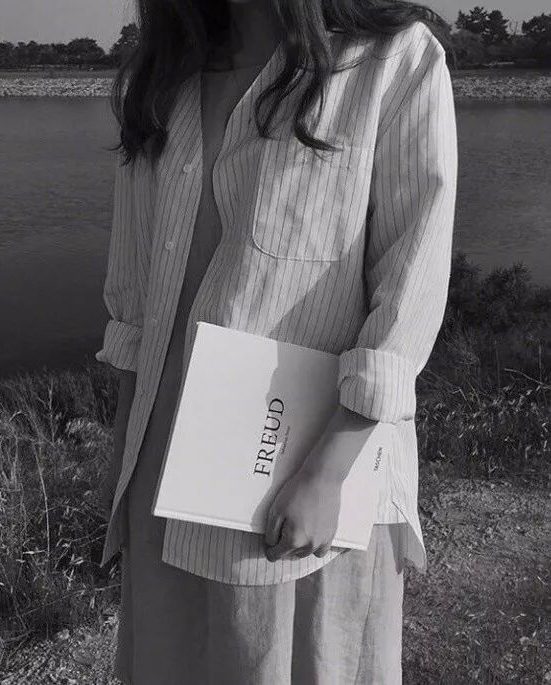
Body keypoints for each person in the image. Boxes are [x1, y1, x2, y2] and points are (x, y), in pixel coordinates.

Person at [94, 0, 458, 682]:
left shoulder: (394, 61)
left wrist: (326, 474)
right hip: (166, 467)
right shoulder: (168, 77)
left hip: (309, 474)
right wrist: (123, 464)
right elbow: (136, 301)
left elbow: (409, 285)